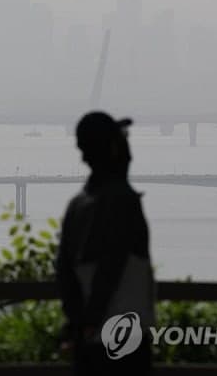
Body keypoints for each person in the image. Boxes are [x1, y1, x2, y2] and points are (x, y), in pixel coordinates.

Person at [56, 111, 155, 375]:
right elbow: (112, 265)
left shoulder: (76, 206)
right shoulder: (124, 201)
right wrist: (92, 319)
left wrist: (78, 325)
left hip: (86, 345)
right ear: (113, 149)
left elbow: (64, 273)